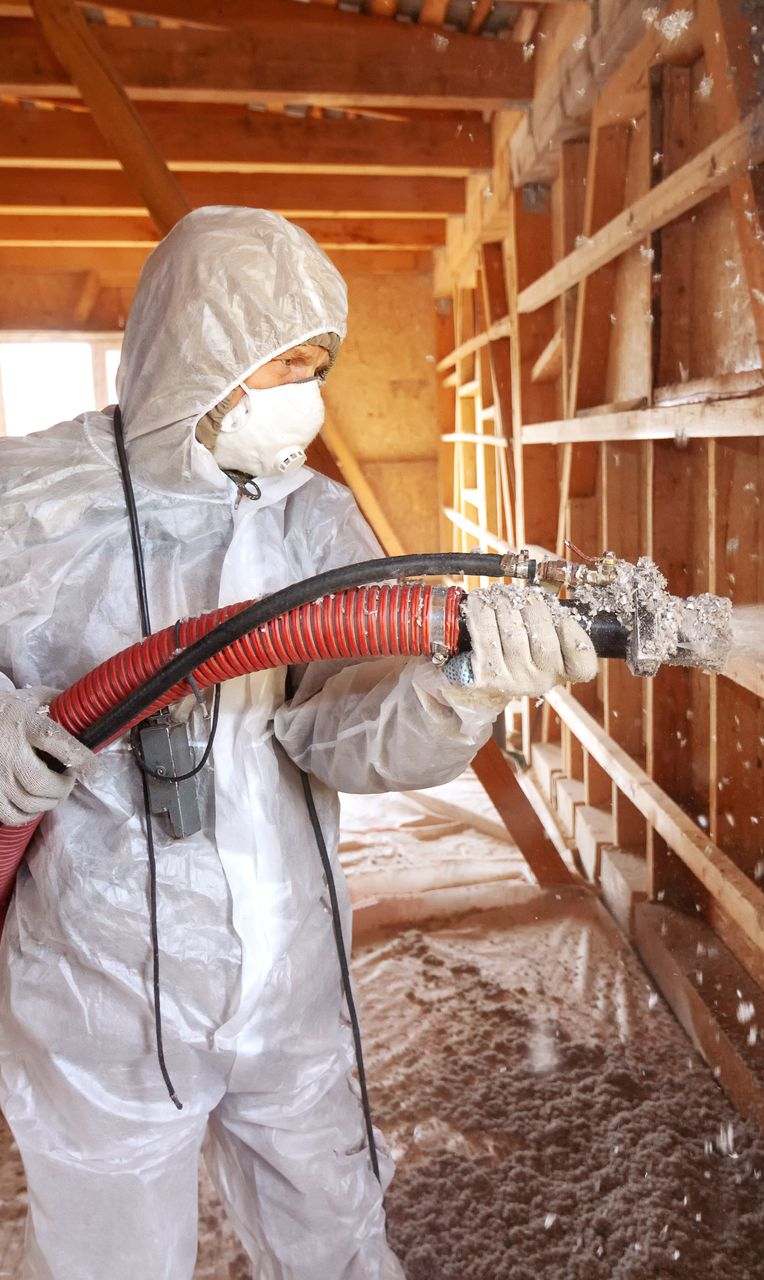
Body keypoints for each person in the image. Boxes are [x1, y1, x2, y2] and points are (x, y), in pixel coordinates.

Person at [0, 206, 597, 1279]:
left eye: (319, 363)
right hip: (101, 999)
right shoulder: (32, 507)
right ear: (201, 357)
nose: (305, 396)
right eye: (284, 364)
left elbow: (347, 733)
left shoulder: (306, 520)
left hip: (290, 987)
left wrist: (456, 688)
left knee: (336, 1250)